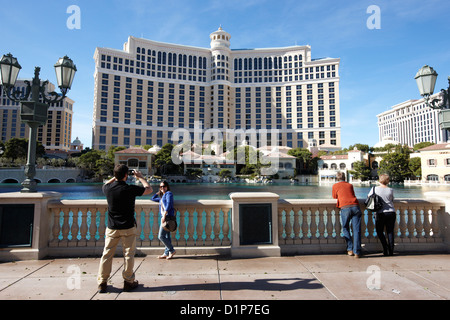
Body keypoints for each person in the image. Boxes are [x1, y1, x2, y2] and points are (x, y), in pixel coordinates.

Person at [97, 165, 153, 293]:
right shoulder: (130, 189)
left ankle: (102, 282)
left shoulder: (108, 189)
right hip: (128, 226)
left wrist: (115, 177)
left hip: (112, 227)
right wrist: (141, 177)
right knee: (128, 255)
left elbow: (105, 184)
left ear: (115, 175)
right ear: (126, 176)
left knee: (106, 254)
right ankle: (128, 281)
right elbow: (149, 189)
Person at [332, 171, 363, 258]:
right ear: (345, 177)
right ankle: (357, 251)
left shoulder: (335, 186)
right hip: (355, 206)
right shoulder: (350, 185)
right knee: (357, 230)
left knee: (345, 228)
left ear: (337, 178)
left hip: (345, 207)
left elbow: (334, 196)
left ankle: (350, 249)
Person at [367, 174, 396, 256]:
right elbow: (392, 199)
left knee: (379, 231)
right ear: (388, 181)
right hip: (391, 212)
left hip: (380, 213)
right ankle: (391, 250)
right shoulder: (390, 190)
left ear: (380, 180)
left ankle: (385, 247)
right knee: (390, 232)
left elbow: (369, 198)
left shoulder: (374, 189)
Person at [152, 181, 176, 260]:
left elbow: (169, 204)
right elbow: (152, 198)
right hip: (164, 217)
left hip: (167, 217)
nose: (162, 188)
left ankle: (172, 250)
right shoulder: (162, 197)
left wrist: (164, 215)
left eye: (164, 186)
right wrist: (157, 193)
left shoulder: (169, 194)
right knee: (167, 236)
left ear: (167, 186)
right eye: (161, 187)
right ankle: (166, 253)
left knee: (161, 236)